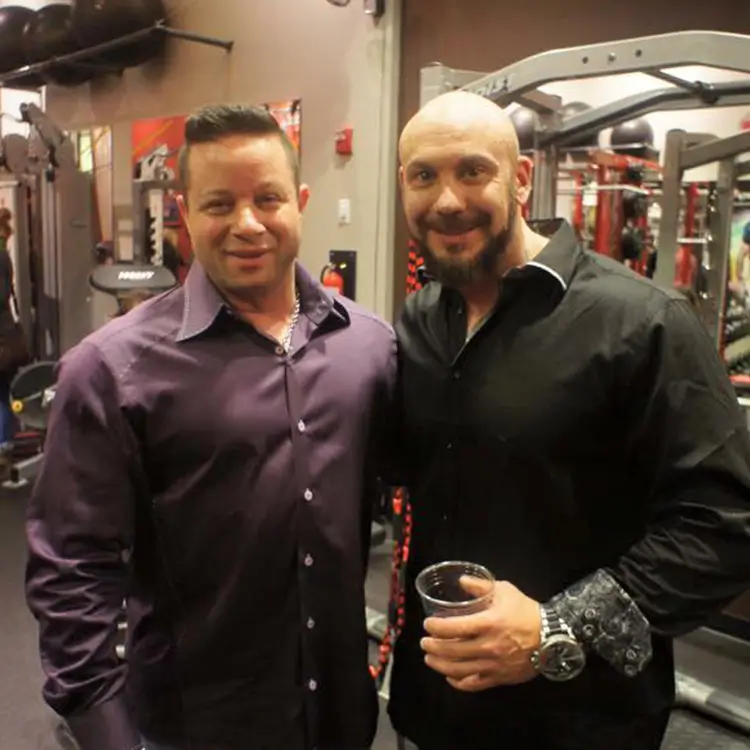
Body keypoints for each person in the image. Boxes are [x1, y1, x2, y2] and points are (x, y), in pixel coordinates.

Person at [25, 104, 396, 750]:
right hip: (195, 728)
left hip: (342, 721)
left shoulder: (368, 346)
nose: (247, 224)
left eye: (268, 198)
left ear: (301, 201)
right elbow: (70, 573)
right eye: (219, 204)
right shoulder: (111, 370)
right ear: (187, 212)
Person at [386, 90, 750, 750]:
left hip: (577, 723)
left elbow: (723, 527)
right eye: (424, 176)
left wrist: (557, 627)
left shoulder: (644, 323)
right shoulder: (419, 320)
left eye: (472, 170)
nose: (446, 200)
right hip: (432, 708)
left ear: (520, 177)